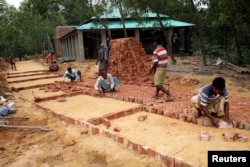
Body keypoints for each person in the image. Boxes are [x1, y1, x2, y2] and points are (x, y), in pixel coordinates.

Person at [148, 38, 173, 102]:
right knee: (159, 82)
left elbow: (156, 62)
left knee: (157, 83)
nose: (153, 44)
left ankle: (168, 94)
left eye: (154, 43)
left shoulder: (156, 51)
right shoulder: (164, 49)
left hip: (160, 68)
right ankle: (156, 95)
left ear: (156, 43)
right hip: (164, 67)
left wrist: (152, 69)